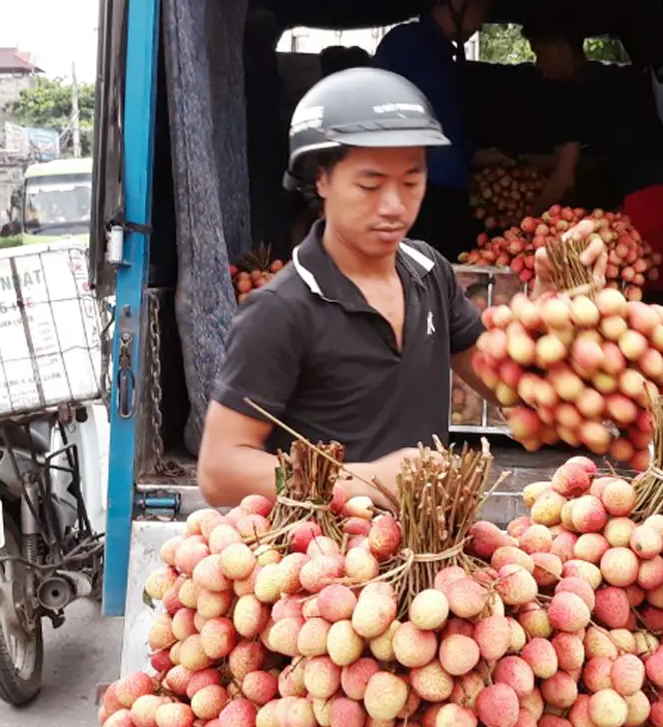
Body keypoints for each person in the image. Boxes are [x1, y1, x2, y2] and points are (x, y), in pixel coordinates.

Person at [198, 67, 493, 508]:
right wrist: (365, 481)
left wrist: (559, 311)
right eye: (369, 185)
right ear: (321, 180)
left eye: (412, 182)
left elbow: (508, 385)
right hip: (321, 565)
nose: (395, 206)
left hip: (428, 559)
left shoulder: (430, 272)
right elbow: (220, 471)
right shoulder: (280, 310)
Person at [524, 21, 663, 277]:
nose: (539, 65)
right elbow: (596, 153)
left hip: (649, 201)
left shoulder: (575, 92)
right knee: (653, 294)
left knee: (614, 287)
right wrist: (528, 161)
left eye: (540, 54)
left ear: (560, 48)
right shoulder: (614, 78)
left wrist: (528, 224)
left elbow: (564, 177)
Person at [372, 0, 509, 258]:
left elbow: (444, 123)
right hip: (422, 193)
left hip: (439, 193)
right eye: (480, 10)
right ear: (459, 3)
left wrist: (474, 153)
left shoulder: (440, 52)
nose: (481, 22)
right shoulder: (410, 45)